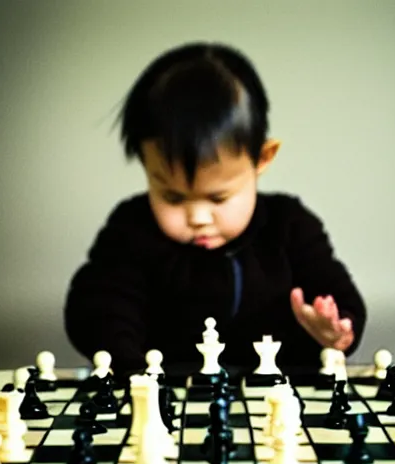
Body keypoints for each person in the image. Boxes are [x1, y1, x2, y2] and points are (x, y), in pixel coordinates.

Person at [64, 42, 367, 378]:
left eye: (218, 198)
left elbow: (338, 296)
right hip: (168, 407)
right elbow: (95, 306)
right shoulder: (131, 230)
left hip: (277, 408)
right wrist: (126, 362)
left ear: (261, 159)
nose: (198, 218)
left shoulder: (291, 226)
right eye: (173, 198)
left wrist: (337, 329)